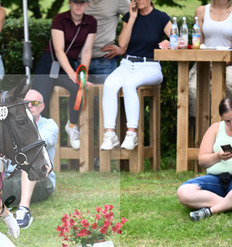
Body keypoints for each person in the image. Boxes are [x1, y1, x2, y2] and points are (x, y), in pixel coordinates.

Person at [99, 0, 170, 152]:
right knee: (109, 84)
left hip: (150, 66)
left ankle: (132, 133)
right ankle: (110, 134)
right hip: (127, 64)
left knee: (129, 84)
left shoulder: (161, 17)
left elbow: (180, 39)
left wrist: (170, 42)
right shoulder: (129, 17)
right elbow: (122, 45)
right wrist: (131, 18)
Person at [33, 0, 96, 151]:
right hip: (50, 63)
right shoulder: (59, 19)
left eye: (83, 2)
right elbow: (59, 50)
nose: (79, 5)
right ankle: (37, 136)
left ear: (87, 4)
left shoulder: (91, 22)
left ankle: (72, 126)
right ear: (69, 3)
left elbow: (87, 51)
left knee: (78, 88)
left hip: (70, 64)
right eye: (76, 2)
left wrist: (83, 74)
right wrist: (71, 73)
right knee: (41, 99)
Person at [1, 89, 59, 229]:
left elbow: (35, 144)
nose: (30, 106)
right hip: (9, 178)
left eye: (34, 103)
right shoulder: (12, 126)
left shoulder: (49, 125)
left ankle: (24, 209)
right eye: (26, 103)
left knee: (30, 160)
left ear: (42, 107)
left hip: (40, 181)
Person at [177, 97, 232, 221]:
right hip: (216, 180)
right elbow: (202, 161)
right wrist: (217, 156)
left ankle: (210, 211)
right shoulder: (215, 128)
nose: (231, 124)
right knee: (184, 192)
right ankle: (227, 204)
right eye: (228, 121)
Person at [188, 0, 232, 117]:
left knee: (229, 84)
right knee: (192, 88)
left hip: (229, 63)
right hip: (204, 62)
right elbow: (198, 44)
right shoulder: (201, 11)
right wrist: (207, 64)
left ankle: (227, 122)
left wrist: (224, 62)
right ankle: (199, 124)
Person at [85, 0, 130, 82]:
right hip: (78, 59)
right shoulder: (78, 2)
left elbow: (136, 20)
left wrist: (124, 48)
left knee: (105, 90)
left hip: (104, 60)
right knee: (77, 90)